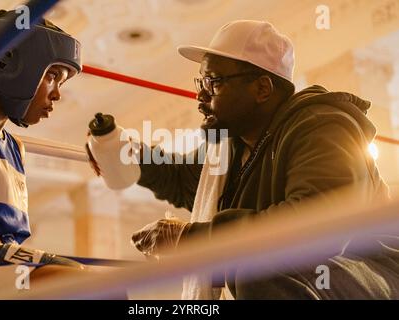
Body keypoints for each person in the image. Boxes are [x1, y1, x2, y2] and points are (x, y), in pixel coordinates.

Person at [127, 20, 399, 299]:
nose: (200, 95)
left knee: (258, 267)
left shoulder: (323, 127)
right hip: (317, 277)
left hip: (374, 272)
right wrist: (127, 153)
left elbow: (319, 225)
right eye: (201, 82)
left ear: (262, 89)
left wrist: (190, 240)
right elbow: (182, 181)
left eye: (213, 82)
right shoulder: (231, 148)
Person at [0, 10, 86, 299]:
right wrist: (30, 260)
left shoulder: (15, 147)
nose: (58, 94)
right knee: (88, 287)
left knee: (97, 283)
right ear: (10, 62)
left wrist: (30, 260)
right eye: (53, 76)